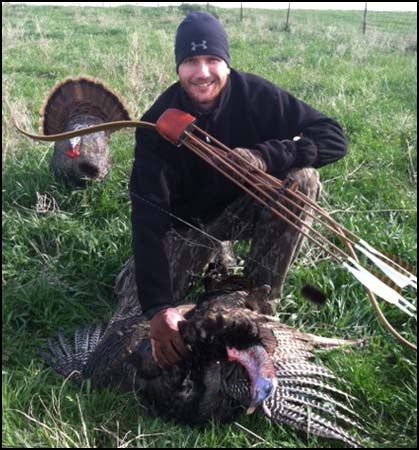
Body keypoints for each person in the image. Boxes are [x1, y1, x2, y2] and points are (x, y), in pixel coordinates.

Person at [127, 12, 347, 368]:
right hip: (188, 228)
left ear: (226, 63)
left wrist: (265, 157)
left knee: (303, 179)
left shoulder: (256, 95)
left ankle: (258, 307)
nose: (202, 73)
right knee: (133, 322)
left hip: (244, 208)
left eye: (212, 59)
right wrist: (158, 306)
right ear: (178, 67)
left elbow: (333, 136)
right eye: (190, 62)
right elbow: (148, 217)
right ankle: (208, 267)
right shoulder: (159, 123)